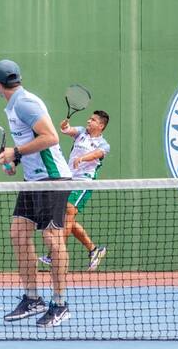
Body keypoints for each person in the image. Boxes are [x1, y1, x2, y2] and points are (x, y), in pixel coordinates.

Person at [0, 59, 73, 328]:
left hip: (52, 177)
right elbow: (29, 141)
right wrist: (13, 160)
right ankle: (32, 298)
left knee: (52, 237)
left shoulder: (25, 103)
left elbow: (51, 137)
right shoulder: (14, 105)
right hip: (32, 178)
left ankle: (60, 304)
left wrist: (15, 152)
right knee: (18, 233)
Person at [39, 111, 111, 271]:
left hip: (84, 182)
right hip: (69, 180)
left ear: (101, 125)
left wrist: (82, 158)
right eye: (89, 118)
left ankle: (54, 254)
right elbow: (68, 130)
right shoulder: (81, 133)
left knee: (68, 212)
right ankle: (94, 250)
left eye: (92, 120)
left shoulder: (104, 144)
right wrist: (64, 126)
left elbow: (97, 154)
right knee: (68, 220)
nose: (89, 121)